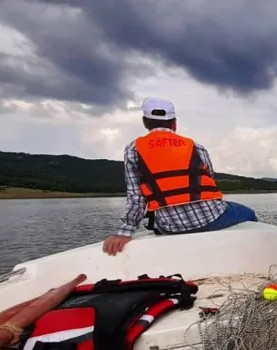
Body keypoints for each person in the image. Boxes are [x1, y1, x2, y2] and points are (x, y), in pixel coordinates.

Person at [103, 97, 258, 256]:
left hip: (170, 227)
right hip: (211, 219)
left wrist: (125, 232)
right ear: (174, 124)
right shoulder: (196, 146)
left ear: (145, 122)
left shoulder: (132, 150)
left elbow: (136, 198)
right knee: (249, 213)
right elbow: (209, 178)